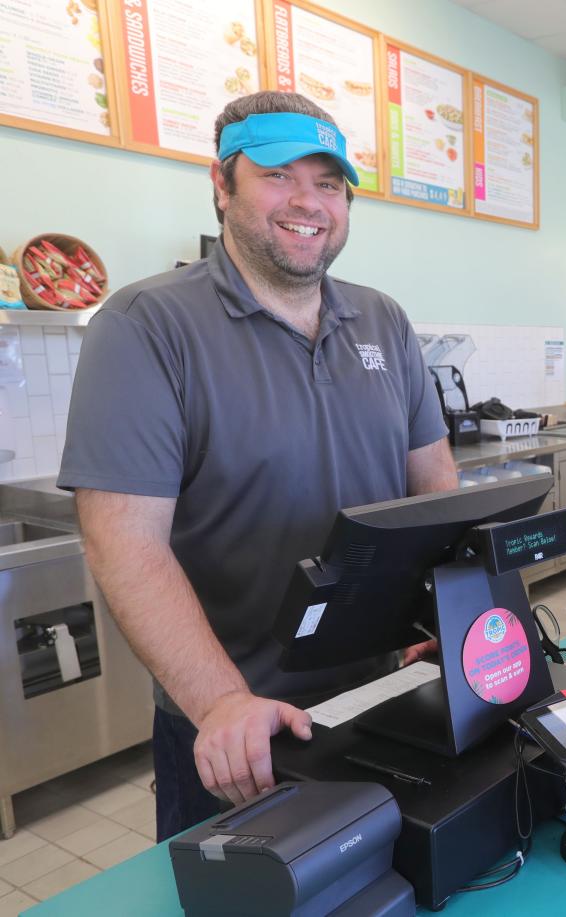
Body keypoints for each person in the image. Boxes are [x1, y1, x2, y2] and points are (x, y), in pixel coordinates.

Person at [58, 92, 459, 841]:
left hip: (382, 698)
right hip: (240, 728)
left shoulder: (383, 320)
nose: (309, 202)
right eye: (279, 174)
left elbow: (432, 487)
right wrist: (219, 702)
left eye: (330, 183)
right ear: (222, 182)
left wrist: (444, 610)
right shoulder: (146, 327)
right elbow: (123, 541)